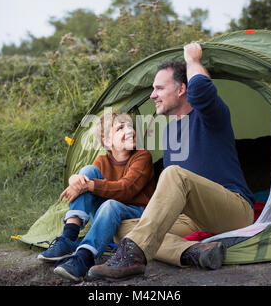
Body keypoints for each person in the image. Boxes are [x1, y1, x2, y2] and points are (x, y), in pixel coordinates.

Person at [88, 42, 255, 280]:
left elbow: (201, 91)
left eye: (159, 88)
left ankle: (133, 257)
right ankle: (193, 252)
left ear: (181, 90)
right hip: (191, 219)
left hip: (233, 210)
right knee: (120, 227)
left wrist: (192, 60)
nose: (152, 95)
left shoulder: (212, 116)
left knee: (173, 173)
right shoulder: (168, 132)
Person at [37, 111, 155, 282]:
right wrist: (74, 179)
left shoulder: (142, 156)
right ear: (107, 141)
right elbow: (85, 179)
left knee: (107, 202)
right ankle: (69, 237)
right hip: (107, 214)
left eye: (130, 126)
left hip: (136, 213)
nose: (129, 130)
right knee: (87, 172)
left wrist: (88, 185)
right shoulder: (102, 161)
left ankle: (84, 258)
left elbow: (126, 189)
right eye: (121, 128)